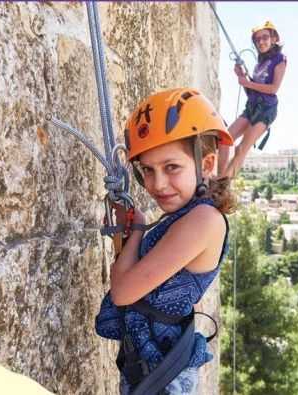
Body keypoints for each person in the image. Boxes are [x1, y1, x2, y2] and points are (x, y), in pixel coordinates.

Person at [95, 88, 236, 394]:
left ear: (207, 164)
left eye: (172, 167)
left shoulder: (203, 221)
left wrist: (136, 231)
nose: (157, 184)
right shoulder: (186, 217)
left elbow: (123, 292)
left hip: (162, 376)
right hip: (152, 366)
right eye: (147, 170)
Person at [218, 20, 287, 178]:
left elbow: (273, 89)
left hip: (266, 110)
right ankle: (219, 178)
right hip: (251, 107)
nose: (261, 42)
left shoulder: (280, 59)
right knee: (225, 138)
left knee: (241, 149)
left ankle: (223, 187)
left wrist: (247, 82)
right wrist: (241, 77)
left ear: (274, 38)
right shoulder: (260, 63)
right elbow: (252, 92)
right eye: (257, 39)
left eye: (265, 37)